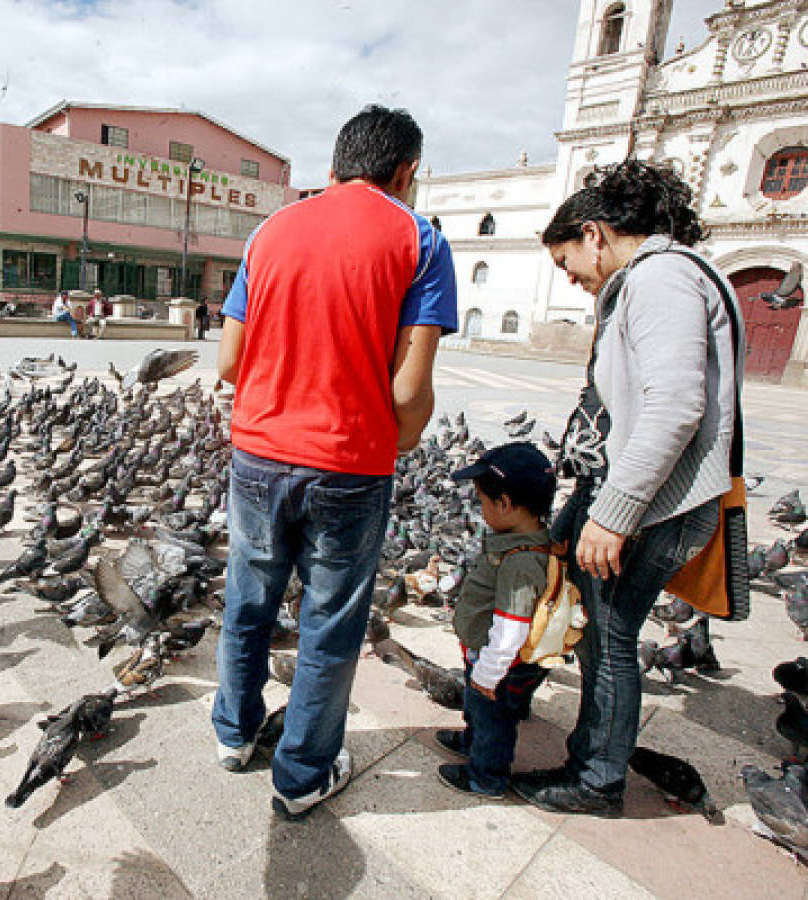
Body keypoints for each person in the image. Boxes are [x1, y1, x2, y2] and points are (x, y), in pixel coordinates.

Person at [212, 105, 458, 820]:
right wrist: (401, 434)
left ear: (333, 166)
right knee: (328, 622)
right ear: (405, 171)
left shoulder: (269, 231)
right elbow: (409, 388)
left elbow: (229, 361)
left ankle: (232, 734)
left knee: (247, 602)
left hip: (257, 453)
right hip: (349, 464)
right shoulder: (419, 239)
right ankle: (300, 777)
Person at [510, 159, 743, 816]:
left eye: (566, 264)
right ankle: (500, 706)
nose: (574, 281)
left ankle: (596, 778)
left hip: (649, 505)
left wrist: (612, 514)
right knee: (546, 585)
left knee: (605, 634)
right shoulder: (665, 275)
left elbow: (673, 405)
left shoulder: (660, 279)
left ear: (593, 234)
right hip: (628, 490)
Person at [435, 442, 557, 798]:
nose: (480, 509)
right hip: (485, 654)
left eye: (482, 501)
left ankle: (486, 775)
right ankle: (473, 741)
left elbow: (512, 625)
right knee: (480, 710)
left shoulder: (520, 561)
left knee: (494, 719)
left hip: (498, 663)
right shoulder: (519, 541)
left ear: (504, 504)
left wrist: (490, 672)